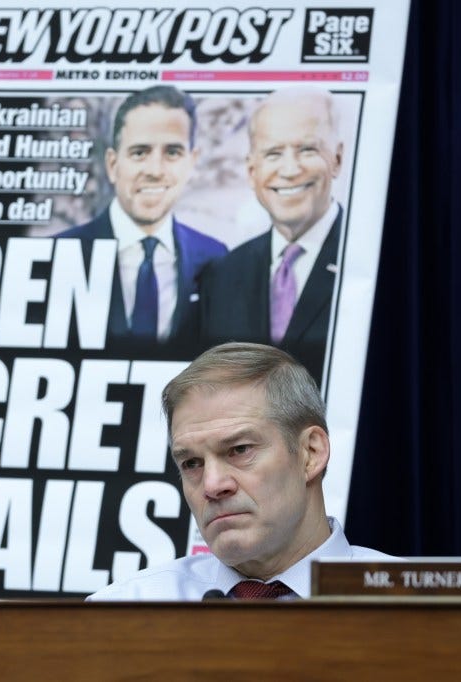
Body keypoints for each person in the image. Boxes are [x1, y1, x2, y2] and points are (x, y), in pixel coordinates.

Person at [88, 342, 395, 601]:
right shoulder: (122, 611)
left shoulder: (412, 606)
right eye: (191, 463)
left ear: (311, 454)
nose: (212, 485)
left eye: (239, 450)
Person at [60, 85, 226, 345]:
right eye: (140, 153)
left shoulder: (216, 258)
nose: (155, 170)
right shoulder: (60, 253)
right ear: (113, 165)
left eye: (172, 152)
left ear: (191, 162)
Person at [199, 87, 344, 383]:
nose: (290, 170)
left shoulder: (372, 263)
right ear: (252, 171)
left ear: (337, 159)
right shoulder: (221, 276)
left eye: (307, 149)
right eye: (273, 153)